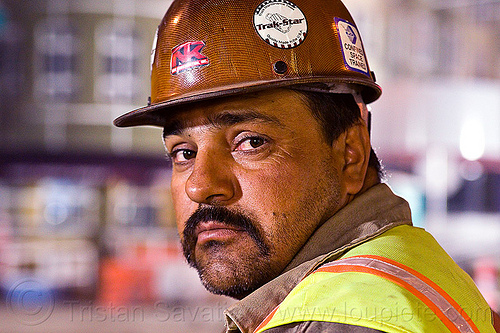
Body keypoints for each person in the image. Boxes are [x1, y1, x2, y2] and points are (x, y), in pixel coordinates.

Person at [114, 0, 500, 332]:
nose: (199, 186)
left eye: (250, 142)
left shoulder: (343, 320)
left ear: (350, 154)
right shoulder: (406, 271)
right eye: (184, 153)